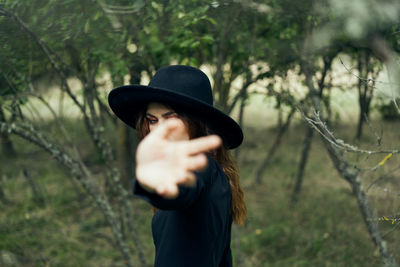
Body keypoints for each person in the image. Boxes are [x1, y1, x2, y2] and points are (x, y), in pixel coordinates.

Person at [108, 65, 247, 267]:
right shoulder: (218, 170)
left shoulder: (202, 167)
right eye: (152, 120)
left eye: (171, 118)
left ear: (196, 122)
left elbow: (180, 188)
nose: (159, 130)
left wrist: (159, 183)